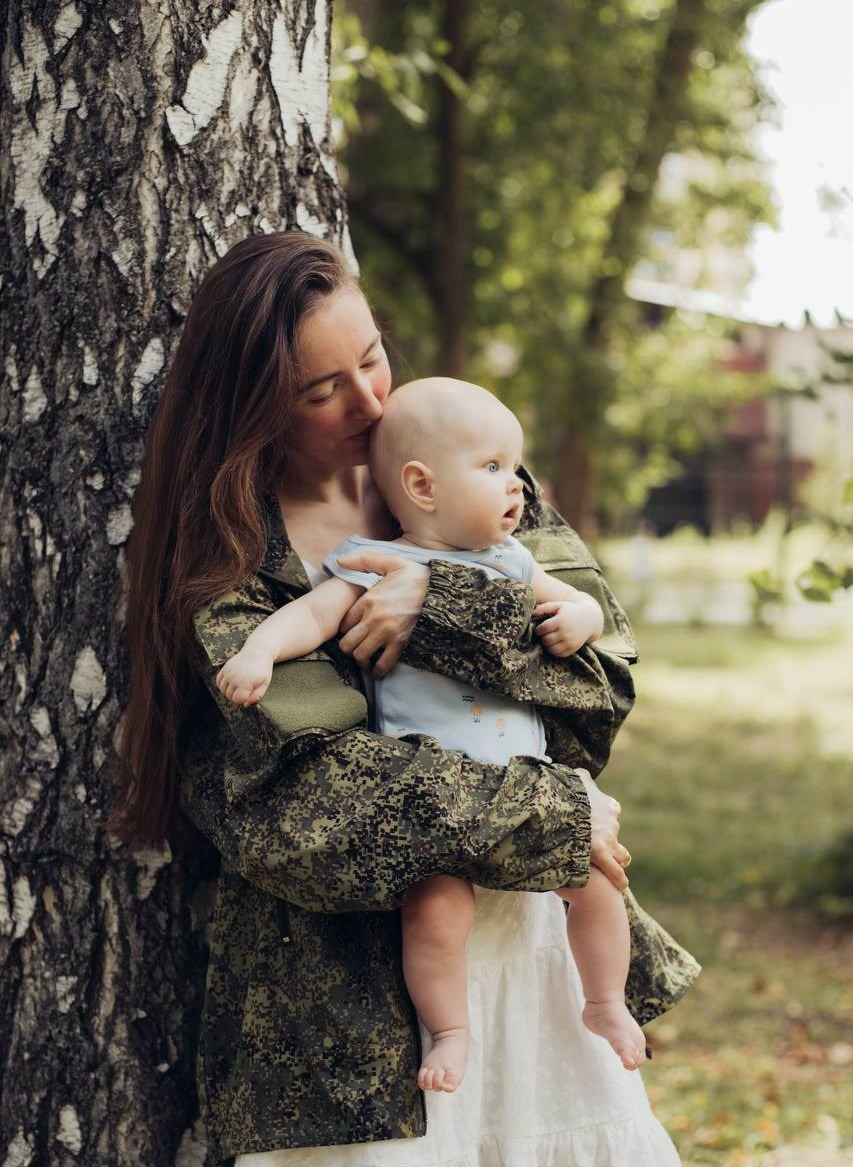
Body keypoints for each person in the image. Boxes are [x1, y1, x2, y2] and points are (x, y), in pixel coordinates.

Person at [110, 231, 698, 1167]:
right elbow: (308, 808)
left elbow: (599, 684)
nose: (371, 400)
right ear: (252, 402)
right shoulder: (232, 561)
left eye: (373, 355)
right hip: (353, 1026)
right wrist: (556, 810)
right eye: (321, 390)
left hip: (534, 963)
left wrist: (440, 602)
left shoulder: (464, 467)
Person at [215, 377, 651, 1092]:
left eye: (514, 466)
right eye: (492, 469)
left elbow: (583, 613)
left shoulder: (514, 559)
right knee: (435, 911)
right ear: (421, 485)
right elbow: (315, 617)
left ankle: (604, 1002)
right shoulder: (374, 562)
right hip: (439, 805)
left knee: (599, 887)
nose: (515, 484)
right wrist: (260, 652)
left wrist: (579, 619)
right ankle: (449, 1030)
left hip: (532, 788)